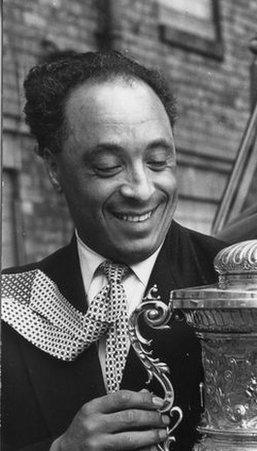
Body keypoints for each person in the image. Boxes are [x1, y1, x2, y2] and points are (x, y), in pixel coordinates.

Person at [1, 51, 226, 450]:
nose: (141, 190)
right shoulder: (9, 305)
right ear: (54, 168)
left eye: (159, 161)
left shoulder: (239, 286)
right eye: (107, 166)